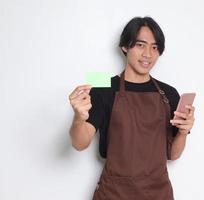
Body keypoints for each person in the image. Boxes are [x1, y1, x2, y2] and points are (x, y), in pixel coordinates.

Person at [68, 16, 195, 200]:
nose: (148, 54)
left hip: (157, 193)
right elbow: (79, 143)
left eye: (155, 47)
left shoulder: (169, 93)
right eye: (140, 45)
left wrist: (183, 132)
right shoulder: (104, 88)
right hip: (114, 194)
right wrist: (79, 117)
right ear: (125, 47)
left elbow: (173, 154)